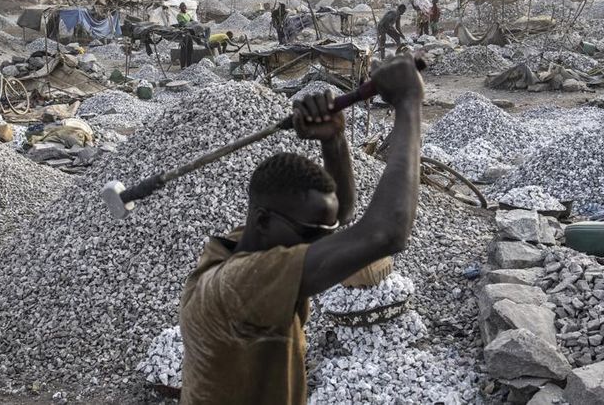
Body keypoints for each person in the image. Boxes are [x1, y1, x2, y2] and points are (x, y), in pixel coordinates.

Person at [180, 55, 424, 405]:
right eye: (311, 233)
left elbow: (337, 220)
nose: (323, 241)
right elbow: (387, 233)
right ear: (263, 220)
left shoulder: (239, 245)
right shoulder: (241, 285)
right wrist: (409, 104)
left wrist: (334, 142)